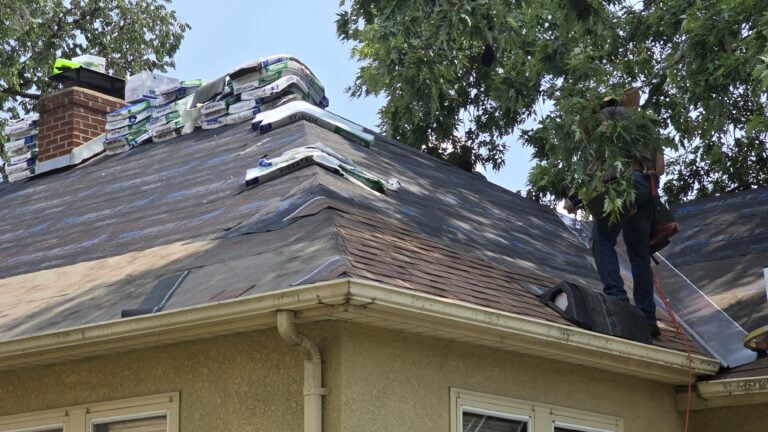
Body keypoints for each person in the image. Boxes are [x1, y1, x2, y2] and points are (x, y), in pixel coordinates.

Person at [588, 88, 664, 337]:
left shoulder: (608, 117)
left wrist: (582, 190)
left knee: (602, 240)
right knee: (640, 254)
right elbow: (660, 167)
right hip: (647, 189)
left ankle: (617, 299)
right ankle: (647, 317)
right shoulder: (647, 126)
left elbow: (596, 161)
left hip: (621, 183)